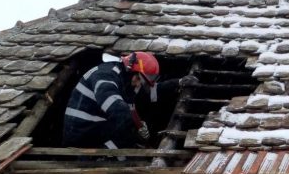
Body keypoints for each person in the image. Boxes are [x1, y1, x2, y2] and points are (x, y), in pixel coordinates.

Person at [62, 51, 195, 149]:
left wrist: (178, 82)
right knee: (126, 143)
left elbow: (149, 93)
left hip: (96, 131)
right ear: (131, 70)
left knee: (131, 142)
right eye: (139, 80)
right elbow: (116, 108)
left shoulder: (127, 81)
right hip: (81, 136)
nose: (138, 85)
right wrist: (137, 128)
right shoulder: (105, 75)